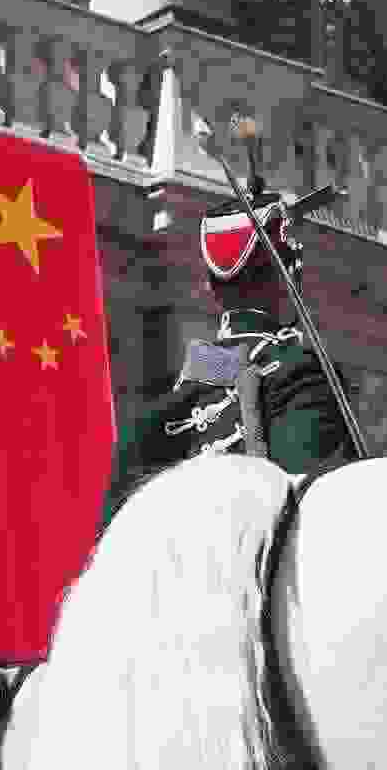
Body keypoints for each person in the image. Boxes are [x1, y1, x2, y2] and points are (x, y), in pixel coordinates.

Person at [98, 202, 360, 531]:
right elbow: (321, 523)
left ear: (210, 288)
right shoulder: (302, 378)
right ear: (288, 278)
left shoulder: (159, 410)